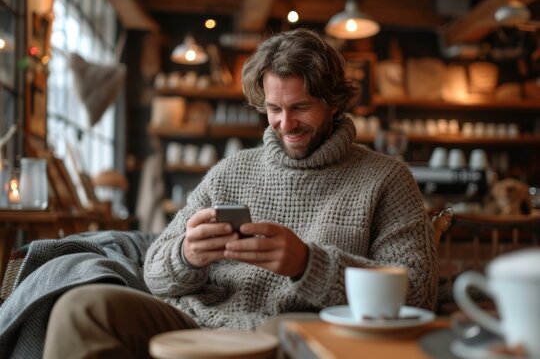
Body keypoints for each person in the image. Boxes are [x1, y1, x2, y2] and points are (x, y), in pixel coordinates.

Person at [42, 28, 437, 358]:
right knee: (82, 308)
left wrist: (307, 264)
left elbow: (416, 293)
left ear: (333, 103)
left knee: (294, 337)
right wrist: (187, 255)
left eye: (300, 107)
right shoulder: (231, 170)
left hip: (295, 332)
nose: (285, 124)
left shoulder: (386, 178)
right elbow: (156, 271)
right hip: (199, 319)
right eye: (273, 109)